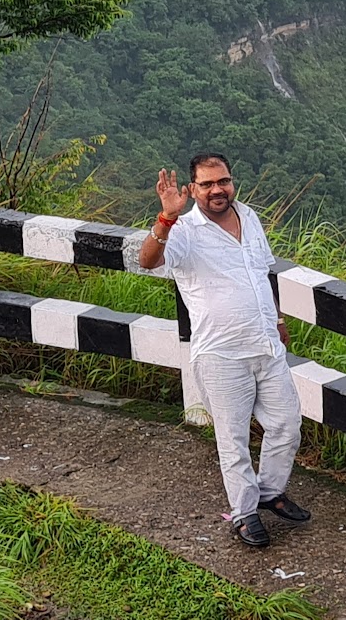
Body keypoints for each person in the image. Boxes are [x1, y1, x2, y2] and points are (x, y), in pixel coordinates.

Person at [139, 153, 310, 547]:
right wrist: (166, 216)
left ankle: (269, 493)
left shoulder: (248, 216)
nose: (218, 190)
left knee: (286, 425)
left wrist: (279, 320)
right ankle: (244, 513)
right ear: (192, 189)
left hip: (266, 345)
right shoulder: (182, 230)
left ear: (232, 183)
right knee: (233, 440)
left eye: (224, 182)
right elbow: (148, 260)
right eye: (207, 184)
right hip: (221, 354)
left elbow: (262, 273)